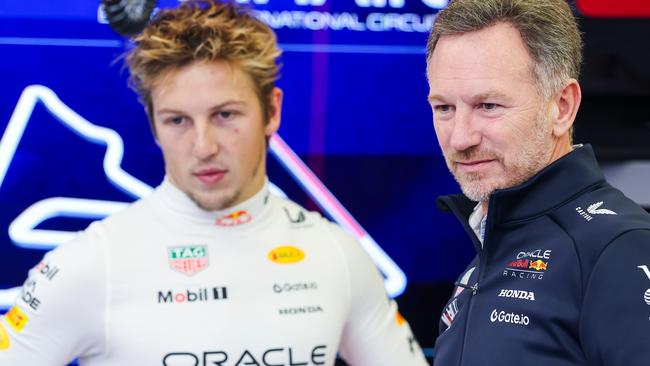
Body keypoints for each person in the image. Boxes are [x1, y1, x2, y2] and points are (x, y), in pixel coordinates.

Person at [0, 1, 428, 365]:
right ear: (153, 125)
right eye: (177, 120)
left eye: (225, 115)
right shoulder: (90, 263)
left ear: (272, 111)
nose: (203, 146)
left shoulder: (335, 253)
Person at [426, 0, 650, 365]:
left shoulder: (619, 249)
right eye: (444, 108)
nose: (459, 139)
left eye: (488, 106)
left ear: (562, 107)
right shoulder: (493, 241)